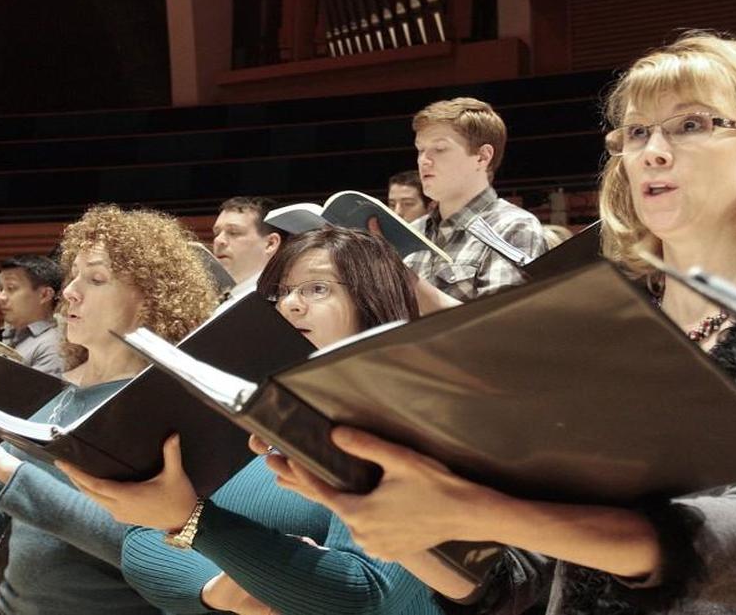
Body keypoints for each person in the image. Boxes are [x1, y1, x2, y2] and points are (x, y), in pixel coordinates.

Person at [270, 33, 736, 615]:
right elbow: (519, 573)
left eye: (691, 125)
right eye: (636, 131)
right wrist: (365, 500)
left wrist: (481, 510)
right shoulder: (610, 328)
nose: (652, 151)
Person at [60, 228, 449, 615]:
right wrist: (219, 589)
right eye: (281, 293)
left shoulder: (406, 419)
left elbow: (364, 594)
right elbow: (141, 540)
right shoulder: (245, 403)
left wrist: (195, 524)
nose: (290, 305)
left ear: (373, 299)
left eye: (317, 289)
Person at [0, 204, 217, 615]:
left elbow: (153, 550)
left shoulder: (163, 410)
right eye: (74, 275)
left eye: (95, 279)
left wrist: (11, 473)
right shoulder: (51, 400)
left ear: (151, 298)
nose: (70, 292)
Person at [405, 98, 546, 303]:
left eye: (440, 148)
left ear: (482, 157)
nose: (423, 161)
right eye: (420, 150)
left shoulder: (513, 227)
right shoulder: (412, 231)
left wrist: (405, 278)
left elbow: (498, 318)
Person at [0, 255, 64, 377]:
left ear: (44, 295)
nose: (1, 297)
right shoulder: (13, 332)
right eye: (1, 289)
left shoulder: (52, 346)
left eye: (11, 288)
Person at [212, 196, 283, 298]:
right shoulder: (212, 298)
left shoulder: (280, 302)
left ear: (270, 244)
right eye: (216, 233)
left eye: (233, 232)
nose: (218, 240)